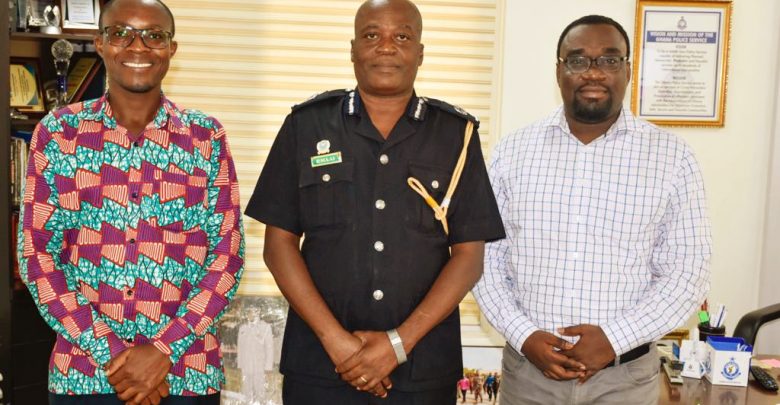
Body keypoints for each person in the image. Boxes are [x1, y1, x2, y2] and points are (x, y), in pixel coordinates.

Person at [243, 0, 505, 403]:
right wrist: (337, 343)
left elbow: (469, 256)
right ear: (352, 49)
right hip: (320, 365)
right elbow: (278, 247)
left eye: (402, 36)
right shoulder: (306, 124)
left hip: (422, 370)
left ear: (420, 52)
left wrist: (397, 344)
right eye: (371, 35)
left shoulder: (456, 135)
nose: (386, 47)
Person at [473, 14, 711, 405]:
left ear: (628, 70)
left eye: (610, 60)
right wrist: (523, 335)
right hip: (528, 377)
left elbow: (688, 272)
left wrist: (614, 340)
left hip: (625, 381)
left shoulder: (673, 158)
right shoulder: (511, 153)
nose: (594, 73)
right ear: (559, 71)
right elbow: (484, 259)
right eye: (579, 60)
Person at [17, 0, 245, 404]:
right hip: (85, 377)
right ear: (100, 43)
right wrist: (115, 353)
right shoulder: (58, 134)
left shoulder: (206, 137)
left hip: (186, 375)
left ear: (172, 49)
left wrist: (163, 350)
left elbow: (227, 256)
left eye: (154, 35)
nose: (137, 46)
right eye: (121, 33)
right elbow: (37, 256)